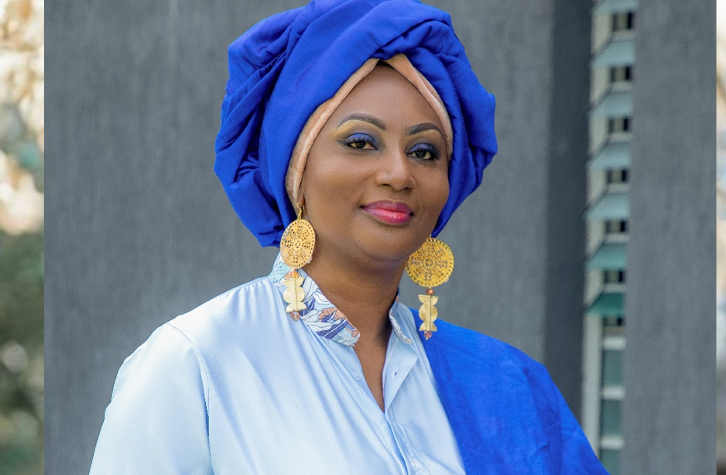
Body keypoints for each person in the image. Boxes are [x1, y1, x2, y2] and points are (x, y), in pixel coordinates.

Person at [90, 1, 608, 473]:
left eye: (425, 152)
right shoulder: (198, 364)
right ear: (295, 171)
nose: (399, 173)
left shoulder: (507, 383)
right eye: (361, 142)